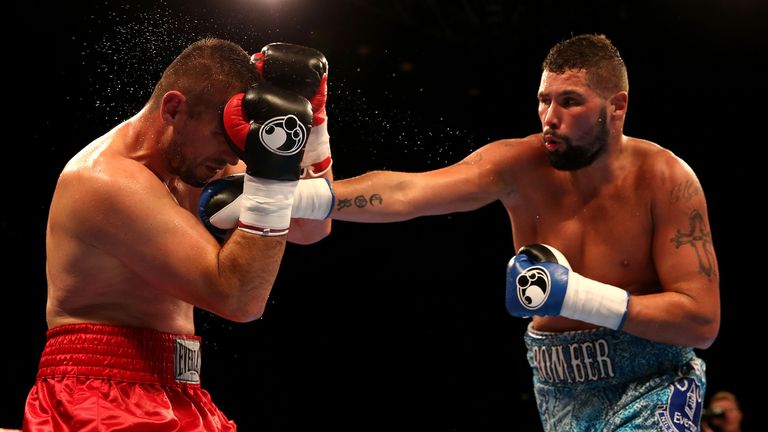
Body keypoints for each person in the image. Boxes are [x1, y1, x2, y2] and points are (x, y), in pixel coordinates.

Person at [270, 33, 719, 431]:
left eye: (569, 101)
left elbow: (701, 321)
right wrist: (290, 198)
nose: (549, 117)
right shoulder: (520, 165)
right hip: (558, 384)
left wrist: (580, 297)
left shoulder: (666, 180)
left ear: (617, 106)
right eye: (544, 100)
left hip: (653, 379)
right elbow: (409, 191)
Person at [23, 38, 333, 431]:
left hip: (182, 389)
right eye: (226, 135)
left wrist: (313, 129)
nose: (236, 158)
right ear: (174, 108)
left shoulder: (195, 161)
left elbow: (312, 225)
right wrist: (272, 176)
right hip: (99, 396)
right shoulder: (106, 180)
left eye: (243, 140)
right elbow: (239, 299)